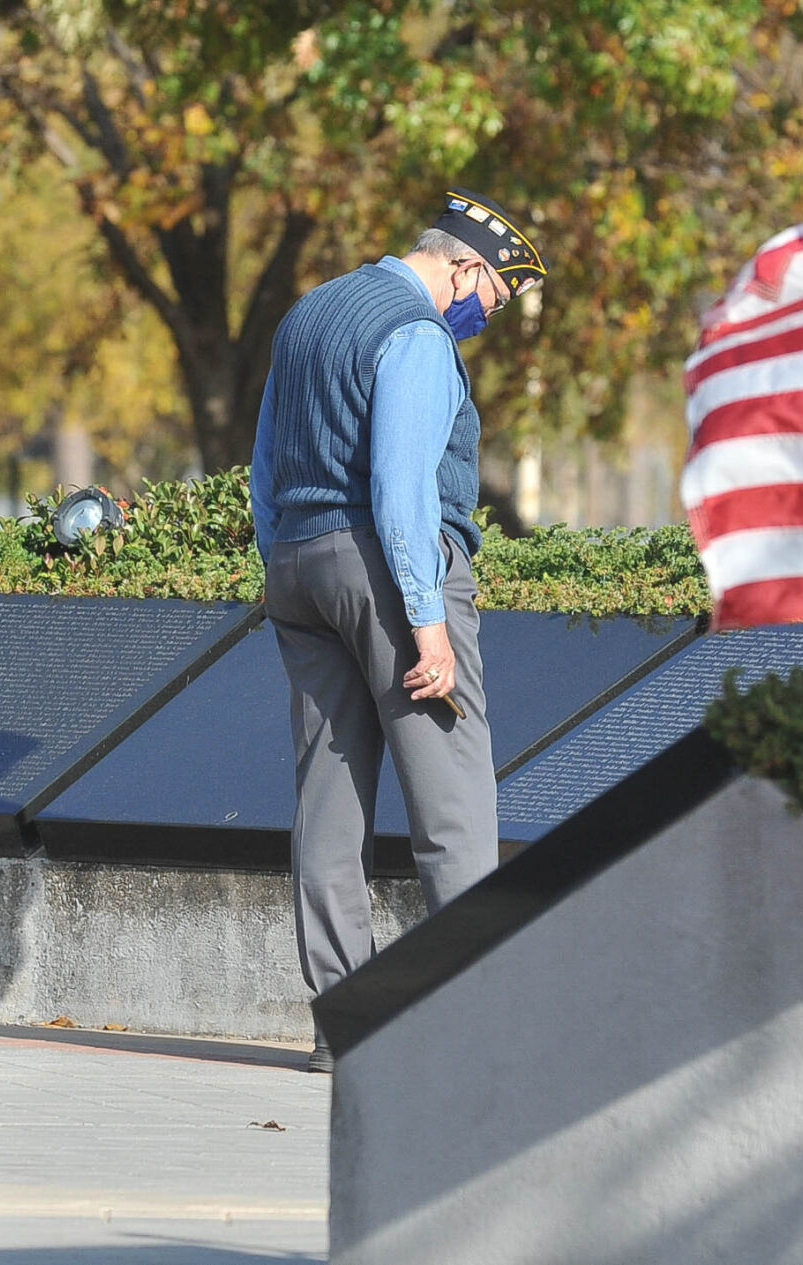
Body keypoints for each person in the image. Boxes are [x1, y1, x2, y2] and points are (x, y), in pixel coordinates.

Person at [249, 189, 546, 1072]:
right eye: (490, 300)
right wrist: (429, 626)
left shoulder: (311, 313)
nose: (479, 319)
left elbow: (265, 460)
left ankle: (345, 1027)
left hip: (297, 569)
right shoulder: (415, 334)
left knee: (328, 807)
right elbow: (401, 490)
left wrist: (282, 558)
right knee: (453, 803)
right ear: (466, 266)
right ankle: (469, 1027)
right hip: (386, 573)